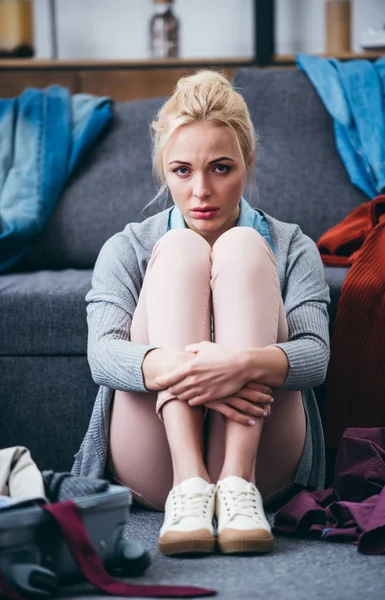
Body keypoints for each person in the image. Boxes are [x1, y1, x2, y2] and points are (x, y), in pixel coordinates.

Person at [72, 70, 330, 557]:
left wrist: (240, 365)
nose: (201, 192)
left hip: (263, 453)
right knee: (182, 249)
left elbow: (316, 358)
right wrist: (189, 369)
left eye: (221, 167)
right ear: (164, 172)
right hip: (157, 461)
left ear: (247, 164)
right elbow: (102, 356)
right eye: (183, 171)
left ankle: (238, 484)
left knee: (243, 246)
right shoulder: (127, 246)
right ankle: (190, 485)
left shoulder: (293, 245)